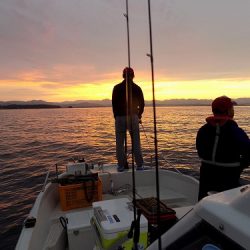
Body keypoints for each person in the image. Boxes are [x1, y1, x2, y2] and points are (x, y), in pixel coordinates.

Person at [196, 96, 250, 200]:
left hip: (206, 175)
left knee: (204, 204)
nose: (233, 110)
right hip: (228, 178)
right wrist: (241, 165)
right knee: (226, 208)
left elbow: (200, 152)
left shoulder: (202, 130)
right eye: (232, 108)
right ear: (227, 111)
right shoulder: (236, 131)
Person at [112, 67, 145, 172]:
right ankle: (139, 165)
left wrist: (116, 116)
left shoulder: (116, 88)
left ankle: (121, 166)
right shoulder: (137, 88)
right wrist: (138, 115)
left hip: (120, 118)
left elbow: (114, 104)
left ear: (123, 75)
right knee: (136, 142)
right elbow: (142, 104)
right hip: (133, 117)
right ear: (133, 75)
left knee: (120, 144)